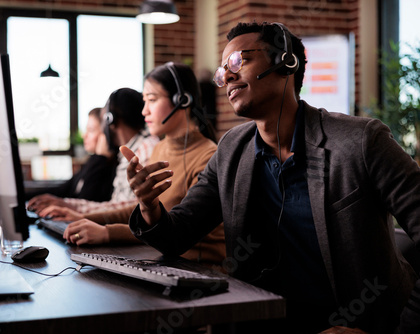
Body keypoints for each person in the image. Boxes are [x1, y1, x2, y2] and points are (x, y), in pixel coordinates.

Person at [123, 21, 420, 334]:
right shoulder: (231, 150)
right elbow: (177, 235)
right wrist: (148, 206)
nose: (228, 77)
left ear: (285, 62)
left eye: (240, 61)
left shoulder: (362, 142)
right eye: (223, 70)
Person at [54, 63, 226, 265]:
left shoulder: (208, 157)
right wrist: (87, 218)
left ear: (182, 100)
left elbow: (170, 228)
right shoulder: (160, 149)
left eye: (152, 100)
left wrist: (106, 233)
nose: (144, 111)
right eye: (144, 101)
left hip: (199, 269)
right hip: (164, 260)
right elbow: (141, 212)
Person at [28, 88, 159, 215]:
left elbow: (133, 210)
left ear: (110, 120)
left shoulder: (145, 149)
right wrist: (67, 205)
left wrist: (77, 212)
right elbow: (118, 205)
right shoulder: (128, 152)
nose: (103, 129)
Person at [26, 108, 117, 203]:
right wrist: (23, 196)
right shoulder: (92, 161)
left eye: (91, 130)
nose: (84, 135)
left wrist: (101, 157)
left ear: (106, 135)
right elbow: (63, 189)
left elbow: (86, 200)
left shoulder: (106, 167)